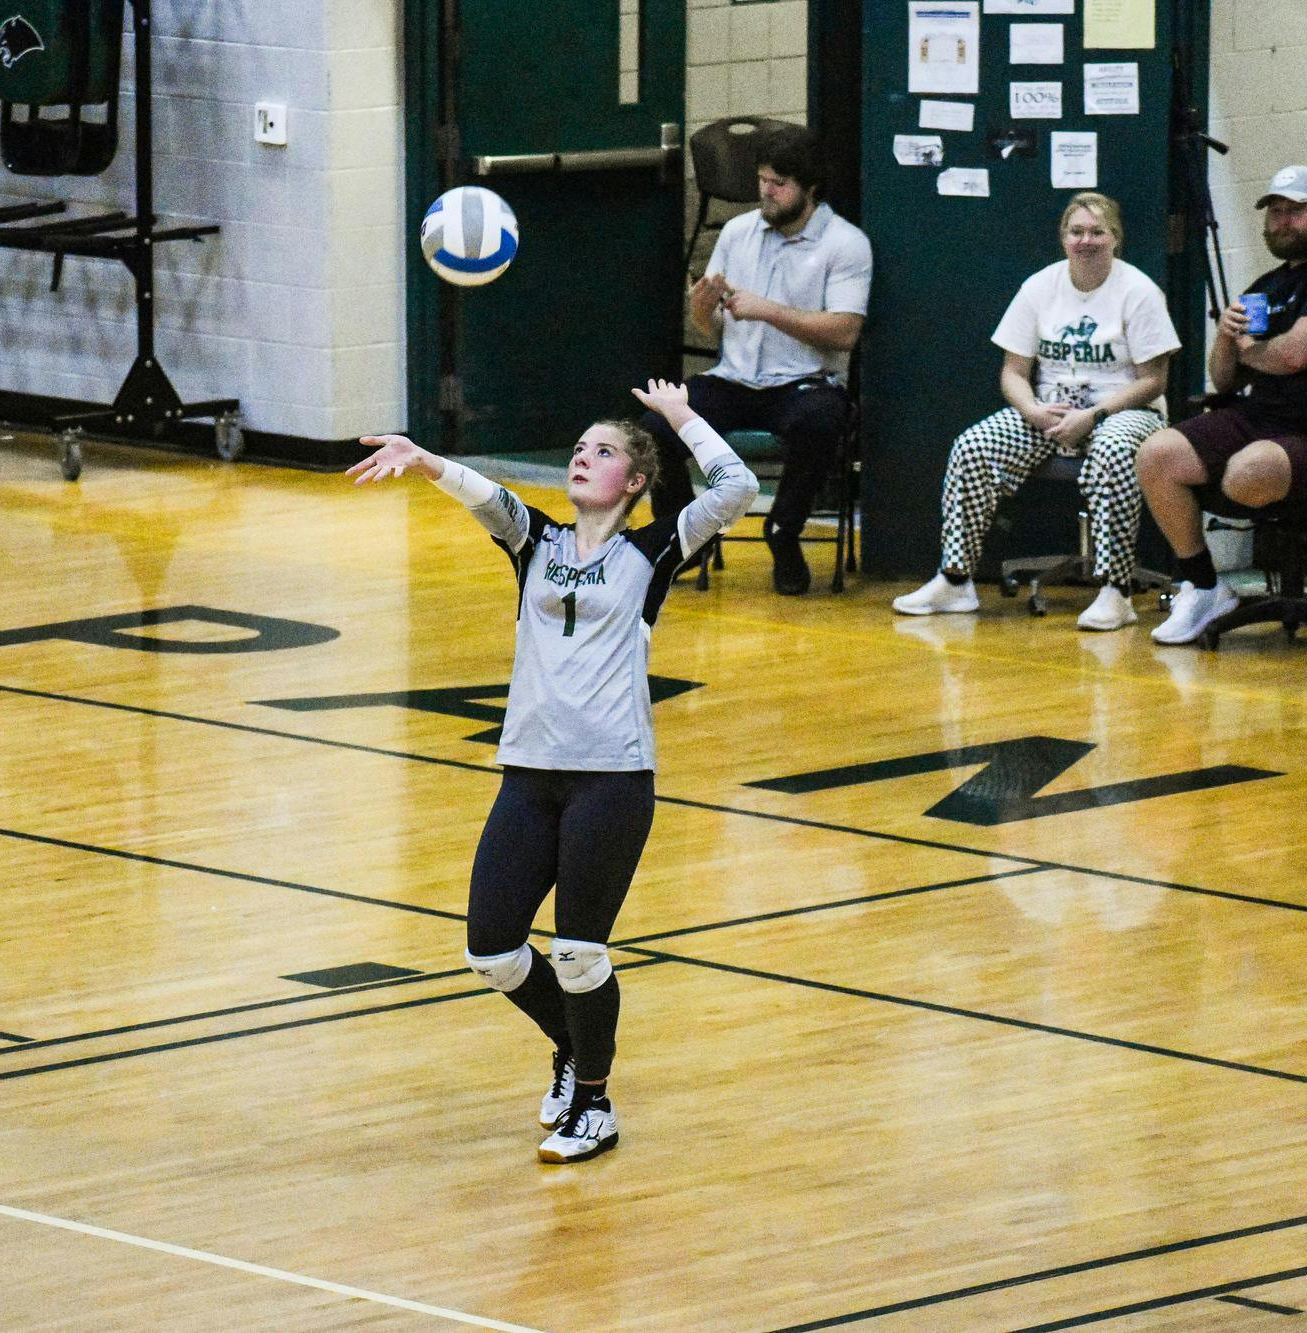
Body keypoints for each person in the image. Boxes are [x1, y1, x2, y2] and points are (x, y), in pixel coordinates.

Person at [346, 380, 757, 1163]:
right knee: (492, 950)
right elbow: (484, 494)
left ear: (634, 482)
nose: (581, 456)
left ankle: (596, 1105)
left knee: (577, 950)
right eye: (578, 447)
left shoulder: (653, 548)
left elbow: (738, 487)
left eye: (602, 451)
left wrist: (679, 417)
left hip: (612, 777)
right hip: (529, 775)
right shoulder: (535, 542)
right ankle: (571, 1047)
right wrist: (424, 458)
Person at [891, 192, 1180, 631]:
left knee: (1114, 449)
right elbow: (1013, 372)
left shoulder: (1138, 291)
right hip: (1050, 411)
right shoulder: (1040, 286)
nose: (1086, 240)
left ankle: (1115, 592)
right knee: (973, 447)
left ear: (1115, 238)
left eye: (1097, 232)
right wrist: (1034, 411)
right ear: (1063, 238)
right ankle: (955, 581)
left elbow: (1153, 381)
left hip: (1122, 410)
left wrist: (1095, 415)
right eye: (1076, 231)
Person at [1135, 165, 1307, 646]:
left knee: (1245, 473)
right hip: (1265, 418)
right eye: (1275, 213)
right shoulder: (1267, 286)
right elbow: (1225, 379)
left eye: (1295, 211)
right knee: (1157, 454)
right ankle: (1204, 584)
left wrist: (1254, 351)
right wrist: (1226, 335)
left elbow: (1296, 354)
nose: (1282, 222)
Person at [642, 125, 871, 595]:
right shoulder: (736, 232)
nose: (766, 191)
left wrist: (766, 310)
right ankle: (689, 533)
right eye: (762, 180)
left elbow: (846, 331)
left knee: (821, 421)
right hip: (735, 377)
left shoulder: (845, 244)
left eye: (778, 184)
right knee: (656, 427)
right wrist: (701, 307)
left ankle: (784, 530)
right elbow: (710, 328)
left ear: (809, 189)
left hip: (805, 381)